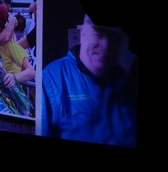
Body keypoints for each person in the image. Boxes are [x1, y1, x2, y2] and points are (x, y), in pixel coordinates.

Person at [39, 14, 138, 147]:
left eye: (113, 38)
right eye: (98, 34)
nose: (106, 45)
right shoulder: (51, 78)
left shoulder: (123, 81)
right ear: (83, 34)